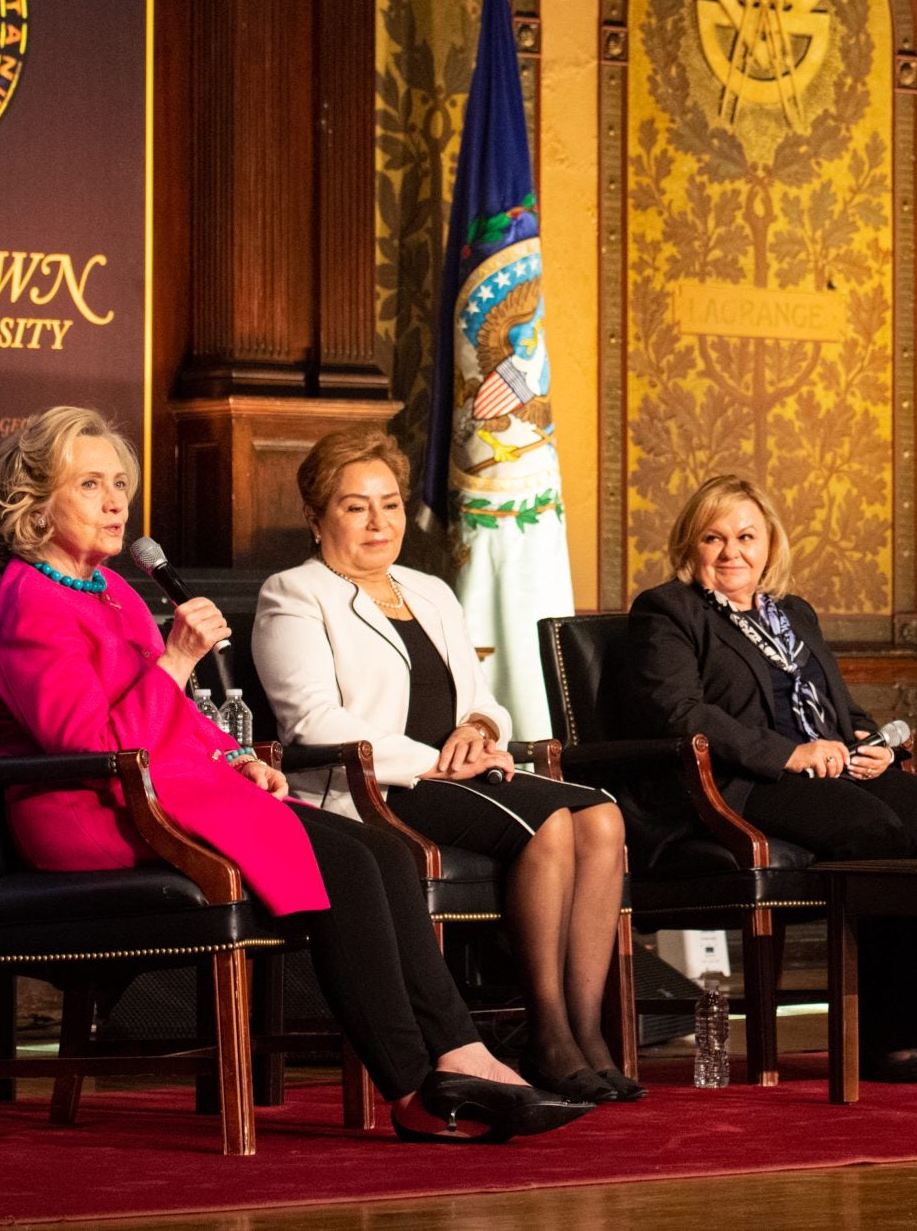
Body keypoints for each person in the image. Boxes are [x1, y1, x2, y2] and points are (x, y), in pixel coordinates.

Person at [0, 406, 590, 1142]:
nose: (116, 503)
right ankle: (414, 1088)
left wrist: (236, 758)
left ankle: (463, 1052)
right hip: (94, 813)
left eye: (121, 485)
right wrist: (175, 660)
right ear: (37, 504)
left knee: (382, 851)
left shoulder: (110, 590)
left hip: (168, 792)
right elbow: (94, 741)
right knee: (348, 868)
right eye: (91, 485)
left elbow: (173, 719)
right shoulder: (27, 606)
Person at [252, 427, 639, 1105]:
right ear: (316, 519)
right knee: (548, 825)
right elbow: (311, 721)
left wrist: (480, 728)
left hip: (459, 773)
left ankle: (587, 1032)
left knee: (601, 815)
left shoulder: (429, 589)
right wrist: (437, 759)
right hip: (374, 790)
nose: (380, 522)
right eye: (355, 506)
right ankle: (546, 1035)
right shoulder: (294, 593)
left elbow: (482, 699)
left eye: (391, 503)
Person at [625, 474, 917, 1084]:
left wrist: (873, 744)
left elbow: (836, 705)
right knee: (874, 831)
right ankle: (885, 1029)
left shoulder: (792, 613)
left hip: (831, 766)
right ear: (690, 545)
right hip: (742, 782)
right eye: (714, 538)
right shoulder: (668, 611)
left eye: (745, 536)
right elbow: (681, 713)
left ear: (769, 545)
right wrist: (788, 756)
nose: (732, 552)